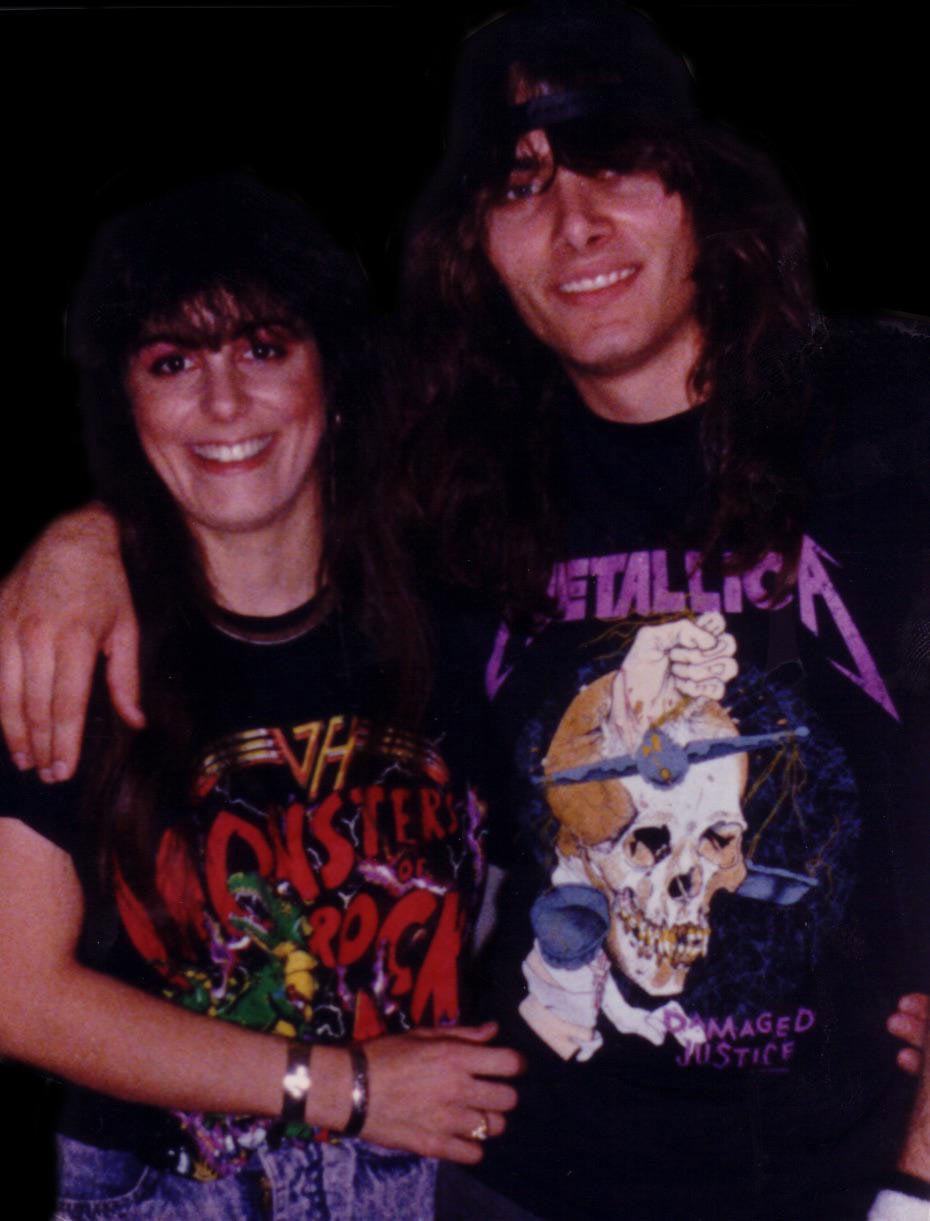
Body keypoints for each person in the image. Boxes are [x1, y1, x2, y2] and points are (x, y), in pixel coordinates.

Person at [2, 3, 929, 1219]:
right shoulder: (452, 480)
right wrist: (85, 539)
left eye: (618, 162)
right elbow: (239, 455)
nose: (576, 220)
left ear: (703, 189)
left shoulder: (891, 412)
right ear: (477, 244)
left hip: (846, 1175)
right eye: (520, 183)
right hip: (521, 1180)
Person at [0, 174, 521, 1219]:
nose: (224, 403)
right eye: (173, 362)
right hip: (174, 1193)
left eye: (264, 349)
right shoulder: (76, 642)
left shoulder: (455, 612)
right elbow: (16, 991)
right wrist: (348, 1088)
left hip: (429, 1184)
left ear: (332, 379)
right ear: (128, 400)